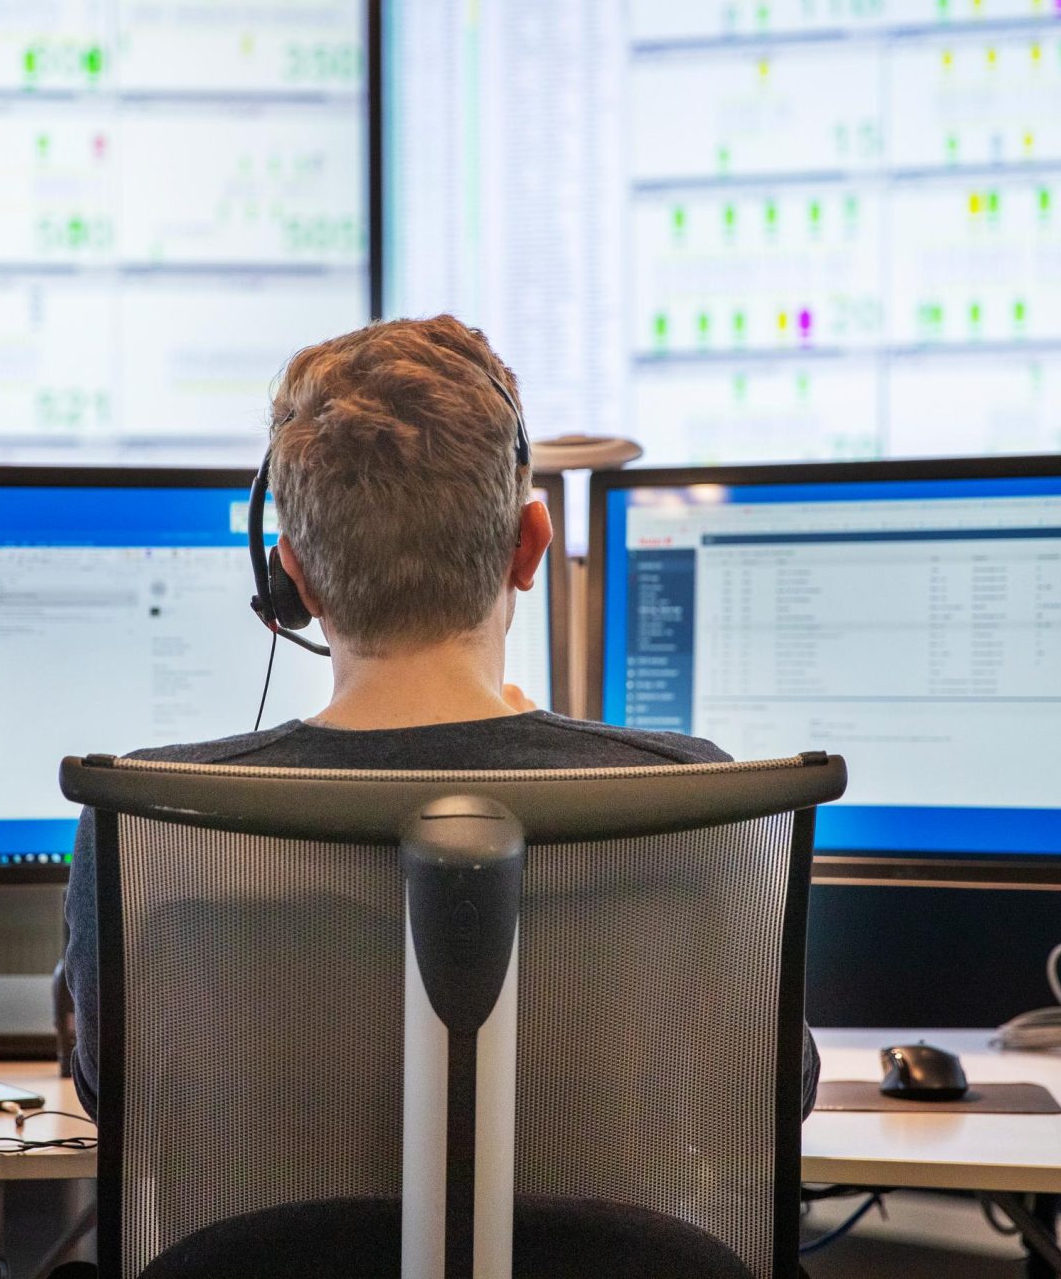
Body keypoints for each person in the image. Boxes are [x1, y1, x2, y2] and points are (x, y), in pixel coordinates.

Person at [62, 313, 819, 1118]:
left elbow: (114, 1092)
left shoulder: (150, 817)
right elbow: (774, 1094)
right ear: (530, 546)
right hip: (591, 1251)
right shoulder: (690, 801)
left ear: (294, 582)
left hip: (282, 1251)